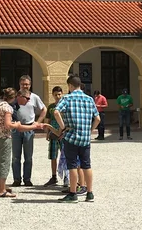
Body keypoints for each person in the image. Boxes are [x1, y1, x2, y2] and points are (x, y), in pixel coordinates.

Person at [0, 88, 44, 198]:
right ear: (13, 97)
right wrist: (16, 125)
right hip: (4, 138)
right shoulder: (7, 108)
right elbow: (8, 124)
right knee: (4, 163)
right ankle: (2, 190)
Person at [53, 75, 100, 203]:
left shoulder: (67, 98)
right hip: (85, 138)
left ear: (70, 86)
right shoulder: (89, 99)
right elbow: (97, 118)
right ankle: (89, 193)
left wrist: (63, 127)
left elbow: (56, 112)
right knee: (86, 165)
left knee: (72, 165)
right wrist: (90, 130)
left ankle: (73, 193)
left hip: (71, 137)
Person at [10, 75, 46, 188]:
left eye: (27, 84)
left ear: (30, 85)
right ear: (19, 85)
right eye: (23, 84)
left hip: (29, 128)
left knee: (28, 156)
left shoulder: (34, 97)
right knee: (16, 156)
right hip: (16, 128)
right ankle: (16, 179)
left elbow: (44, 109)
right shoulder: (15, 97)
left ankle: (27, 179)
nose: (25, 86)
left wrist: (38, 122)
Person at [41, 86, 65, 187]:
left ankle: (66, 177)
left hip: (63, 134)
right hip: (53, 133)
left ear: (62, 94)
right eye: (56, 95)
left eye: (59, 94)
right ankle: (54, 176)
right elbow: (48, 120)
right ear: (53, 95)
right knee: (53, 156)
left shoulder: (65, 106)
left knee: (65, 156)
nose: (58, 96)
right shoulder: (51, 107)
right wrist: (47, 132)